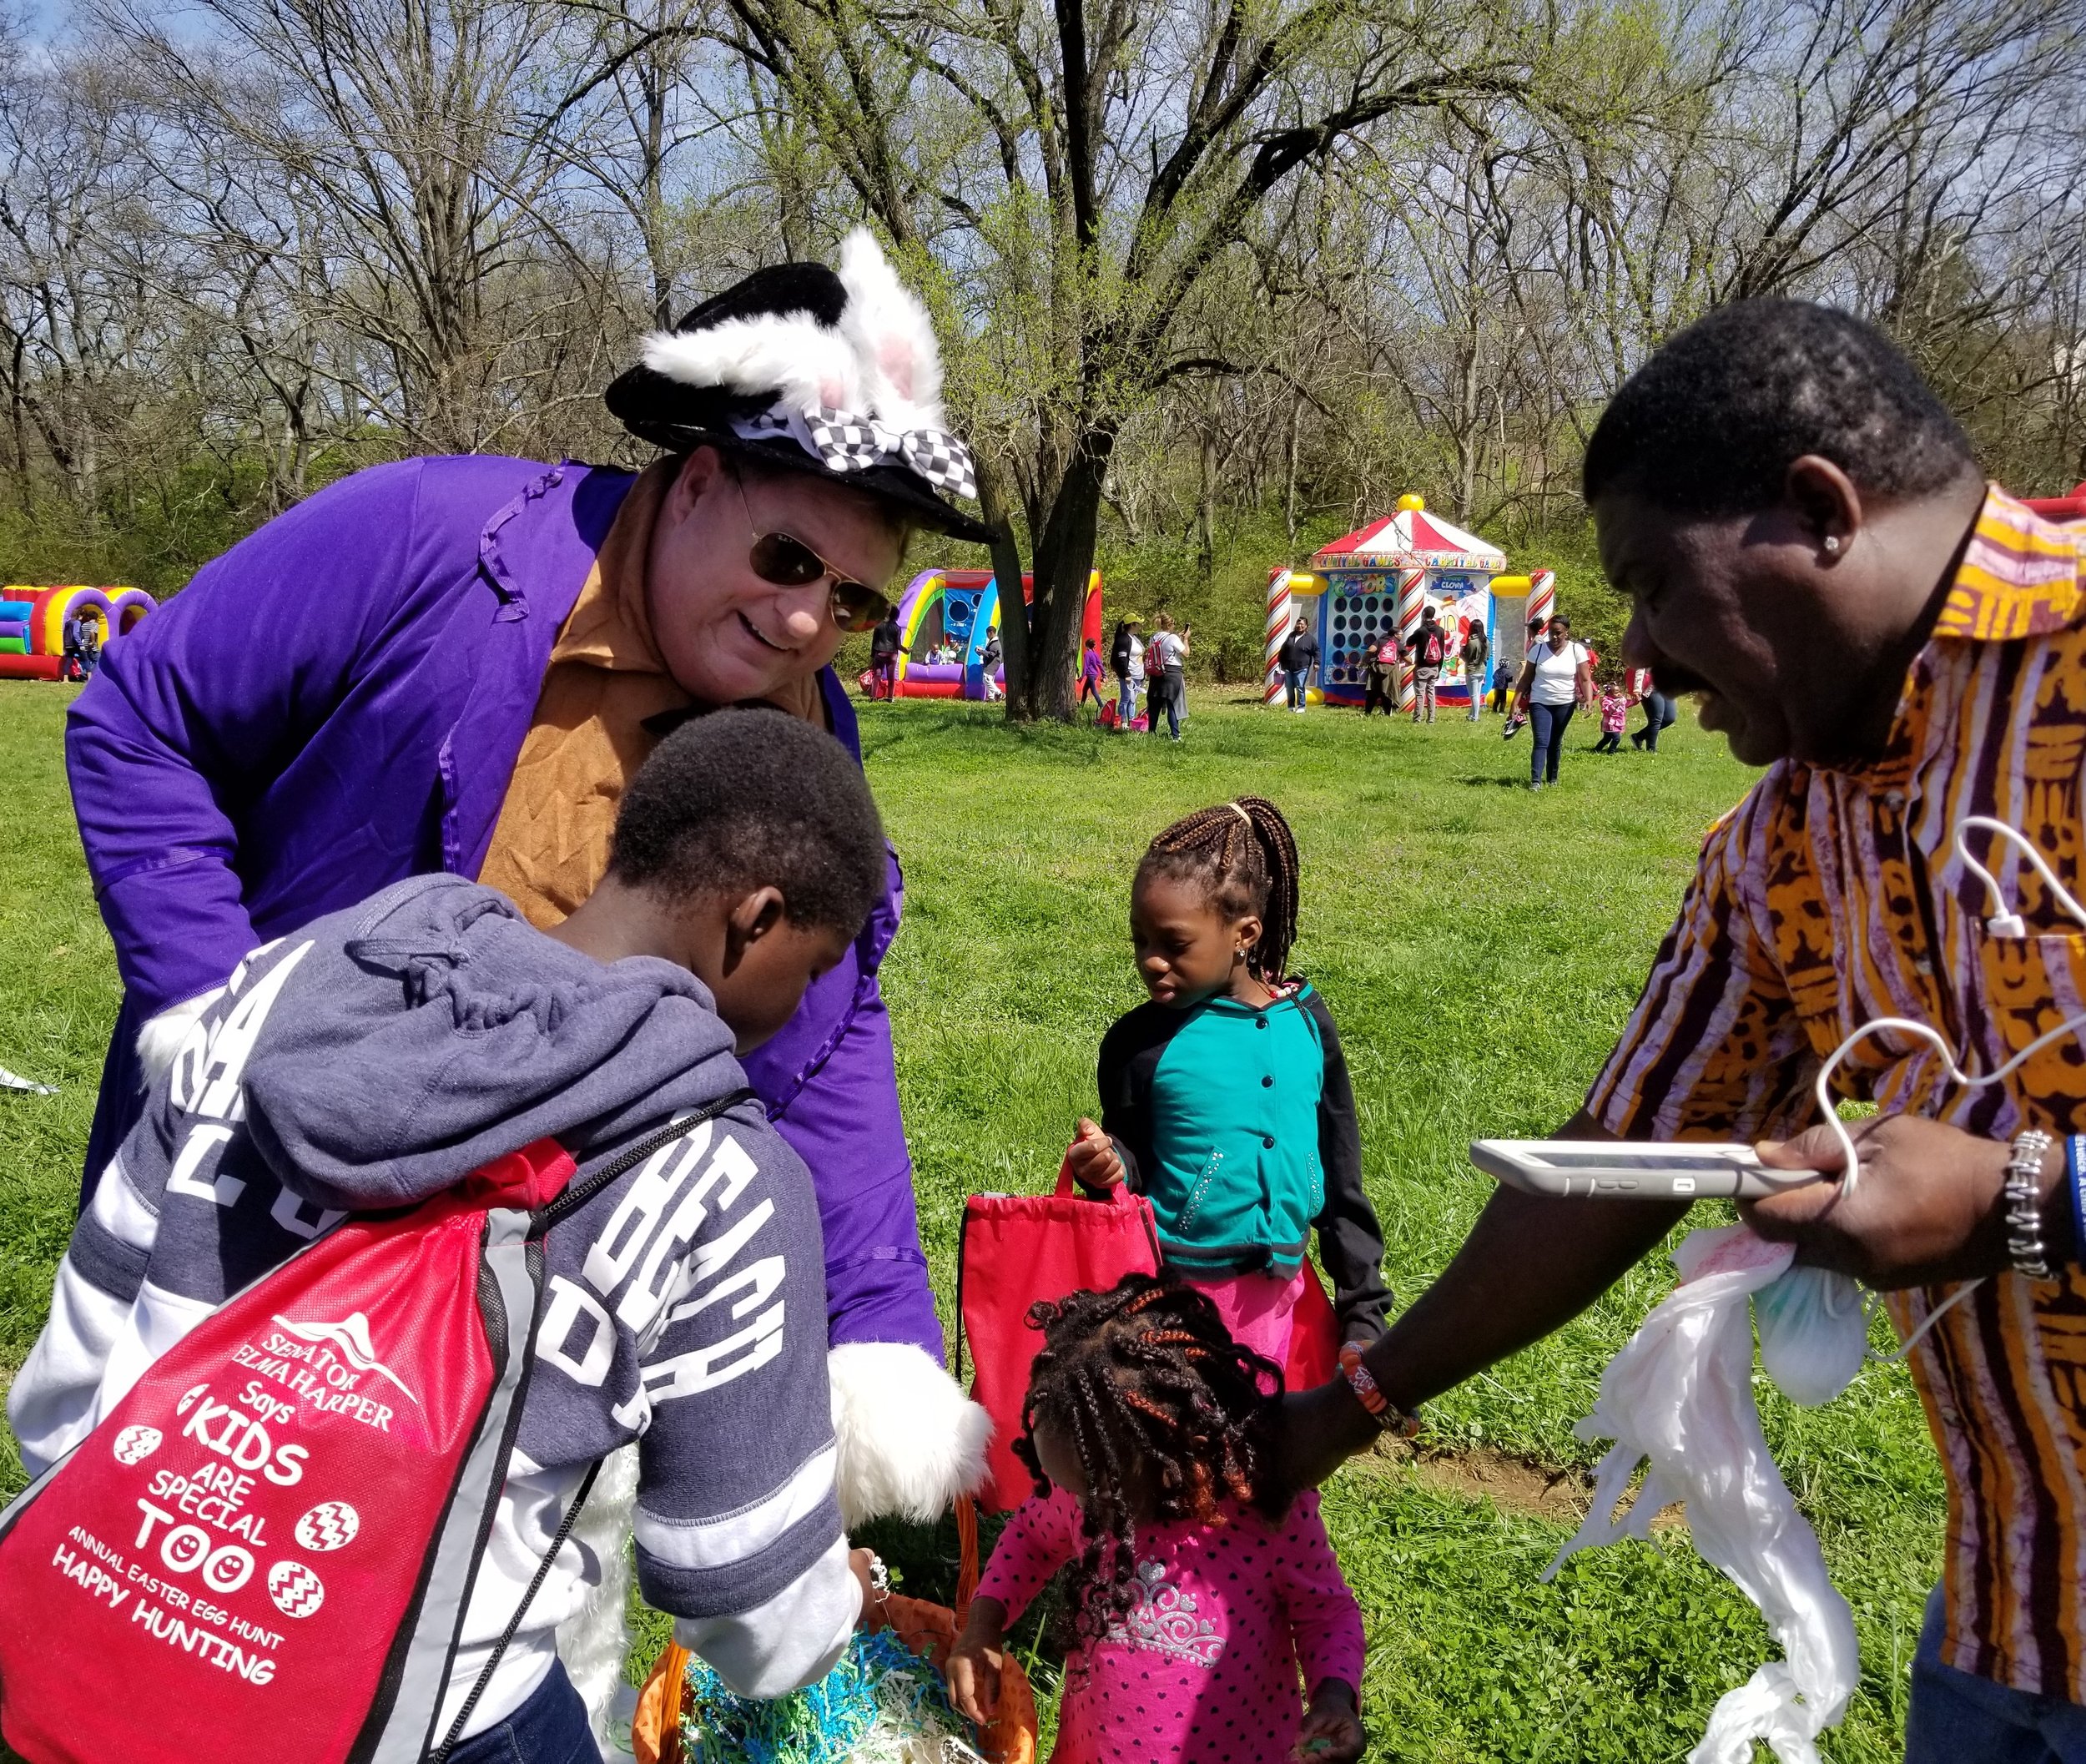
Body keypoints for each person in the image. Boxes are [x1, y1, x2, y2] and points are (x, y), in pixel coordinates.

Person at [63, 233, 991, 1738]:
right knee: (193, 1634)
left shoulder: (801, 726)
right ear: (695, 479)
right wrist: (224, 1022)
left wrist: (874, 1325)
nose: (813, 620)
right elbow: (142, 717)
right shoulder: (423, 534)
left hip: (539, 1327)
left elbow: (823, 1021)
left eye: (860, 599)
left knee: (494, 1658)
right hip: (269, 1225)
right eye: (787, 559)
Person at [1275, 298, 2086, 1761]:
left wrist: (2035, 1196)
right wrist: (1350, 1402)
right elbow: (1606, 1166)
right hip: (2002, 1629)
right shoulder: (1778, 842)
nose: (1634, 652)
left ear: (1819, 512)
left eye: (1654, 583)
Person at [10, 712, 898, 1760]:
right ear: (754, 919)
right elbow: (750, 1608)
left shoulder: (278, 986)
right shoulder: (722, 1174)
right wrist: (832, 1600)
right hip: (432, 1721)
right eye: (812, 968)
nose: (797, 1010)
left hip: (72, 1633)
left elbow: (65, 1390)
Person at [945, 1275, 1368, 1764]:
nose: (1078, 1507)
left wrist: (1334, 1696)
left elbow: (1326, 1614)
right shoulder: (1086, 1487)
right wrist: (984, 1625)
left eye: (1094, 1492)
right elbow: (1031, 1539)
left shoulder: (1266, 1510)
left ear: (1172, 1455)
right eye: (1069, 1489)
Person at [1065, 797, 1391, 1363]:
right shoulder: (1139, 1044)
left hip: (1287, 1311)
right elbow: (1134, 1164)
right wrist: (1108, 1163)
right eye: (1140, 941)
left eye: (1175, 944)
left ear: (1244, 934)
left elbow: (1341, 1178)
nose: (1151, 960)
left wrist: (1362, 1313)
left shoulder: (1307, 1025)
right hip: (1175, 1313)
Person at [1509, 612, 1593, 788]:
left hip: (1565, 703)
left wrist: (1588, 700)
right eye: (1551, 633)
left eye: (1558, 633)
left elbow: (1585, 678)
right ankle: (1535, 781)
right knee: (1541, 741)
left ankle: (1552, 778)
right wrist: (1515, 702)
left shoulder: (1576, 650)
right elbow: (1526, 679)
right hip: (1540, 702)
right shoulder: (1538, 650)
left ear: (1566, 632)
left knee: (1555, 741)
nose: (1554, 637)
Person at [1147, 612, 1188, 741]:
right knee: (1172, 703)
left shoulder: (1153, 638)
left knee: (1155, 704)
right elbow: (1185, 653)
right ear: (1169, 624)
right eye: (1174, 624)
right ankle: (1176, 736)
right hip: (1172, 673)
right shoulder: (1173, 638)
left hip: (1157, 672)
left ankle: (1151, 733)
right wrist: (1186, 639)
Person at [1405, 607, 1449, 723]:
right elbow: (1442, 650)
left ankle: (1417, 719)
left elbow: (1409, 642)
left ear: (1424, 615)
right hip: (1434, 666)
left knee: (1420, 694)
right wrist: (1439, 667)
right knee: (1431, 693)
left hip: (1422, 667)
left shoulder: (1421, 631)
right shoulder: (1440, 630)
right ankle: (1431, 719)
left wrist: (1421, 626)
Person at [1279, 614, 1318, 713]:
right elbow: (1284, 648)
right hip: (1288, 667)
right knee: (1289, 688)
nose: (1299, 626)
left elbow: (1317, 651)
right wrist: (1280, 660)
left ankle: (1301, 707)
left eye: (1302, 624)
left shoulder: (1310, 639)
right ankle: (1291, 706)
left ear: (1306, 626)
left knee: (1300, 687)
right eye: (1298, 624)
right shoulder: (1291, 636)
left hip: (1302, 667)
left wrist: (1316, 663)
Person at [1110, 615, 1143, 728]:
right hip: (1129, 674)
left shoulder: (1135, 638)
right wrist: (1126, 674)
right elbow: (1122, 658)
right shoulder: (1124, 639)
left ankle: (1132, 721)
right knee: (1126, 698)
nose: (1140, 626)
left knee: (1133, 700)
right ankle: (1123, 722)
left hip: (1138, 674)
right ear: (1132, 625)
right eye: (1138, 624)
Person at [869, 607, 907, 698]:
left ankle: (873, 697)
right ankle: (890, 697)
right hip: (892, 655)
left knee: (877, 675)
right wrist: (905, 650)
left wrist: (872, 655)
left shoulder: (879, 626)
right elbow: (898, 645)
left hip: (879, 653)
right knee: (891, 677)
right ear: (897, 616)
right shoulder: (897, 628)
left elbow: (874, 642)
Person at [1362, 631, 1398, 717]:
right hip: (1389, 671)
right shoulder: (1396, 643)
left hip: (1376, 670)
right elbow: (1407, 658)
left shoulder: (1379, 641)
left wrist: (1363, 661)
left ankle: (1367, 713)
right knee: (1386, 693)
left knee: (1372, 693)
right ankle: (1387, 713)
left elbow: (1370, 650)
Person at [1462, 617, 1489, 719]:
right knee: (1476, 695)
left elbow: (1467, 658)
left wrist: (1461, 654)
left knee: (1473, 696)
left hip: (1472, 670)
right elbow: (1488, 656)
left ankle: (1475, 716)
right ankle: (1472, 714)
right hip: (1482, 670)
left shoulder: (1472, 642)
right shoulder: (1486, 641)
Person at [1592, 675, 1629, 752]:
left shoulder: (1620, 699)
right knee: (1616, 739)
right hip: (1610, 723)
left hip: (1618, 723)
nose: (1618, 694)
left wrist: (1634, 702)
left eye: (1619, 692)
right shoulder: (1606, 701)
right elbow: (1605, 711)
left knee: (1607, 739)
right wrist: (1614, 705)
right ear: (1609, 694)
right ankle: (1611, 751)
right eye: (1616, 693)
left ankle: (1597, 749)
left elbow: (1626, 703)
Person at [1079, 637, 1105, 713]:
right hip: (1094, 675)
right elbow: (1100, 665)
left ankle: (1102, 706)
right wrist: (1104, 675)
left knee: (1094, 692)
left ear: (1087, 646)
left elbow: (1086, 666)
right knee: (1084, 690)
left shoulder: (1087, 654)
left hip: (1090, 675)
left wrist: (1082, 676)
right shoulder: (1095, 654)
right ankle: (1081, 706)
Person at [980, 627, 1003, 701]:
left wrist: (982, 651)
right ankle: (991, 697)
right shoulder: (992, 642)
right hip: (991, 664)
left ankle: (999, 693)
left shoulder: (995, 643)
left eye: (987, 634)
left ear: (991, 632)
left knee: (987, 678)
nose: (987, 636)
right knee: (989, 679)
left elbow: (991, 654)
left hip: (992, 664)